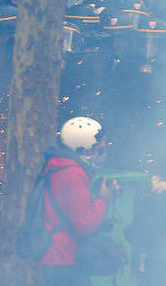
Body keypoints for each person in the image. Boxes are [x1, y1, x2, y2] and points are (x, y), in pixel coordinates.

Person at [40, 117, 117, 286]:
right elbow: (83, 225)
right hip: (63, 259)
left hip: (55, 257)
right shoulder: (73, 174)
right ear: (85, 150)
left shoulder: (59, 165)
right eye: (99, 150)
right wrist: (104, 199)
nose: (103, 155)